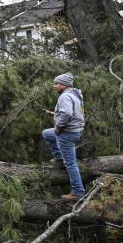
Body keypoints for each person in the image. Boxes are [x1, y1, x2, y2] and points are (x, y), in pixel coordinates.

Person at [42, 72, 86, 201]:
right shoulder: (75, 94)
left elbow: (66, 113)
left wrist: (58, 128)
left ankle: (78, 192)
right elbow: (72, 113)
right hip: (75, 130)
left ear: (65, 85)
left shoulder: (65, 96)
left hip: (67, 133)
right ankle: (59, 158)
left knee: (71, 164)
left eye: (56, 83)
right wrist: (53, 113)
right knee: (46, 133)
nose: (53, 86)